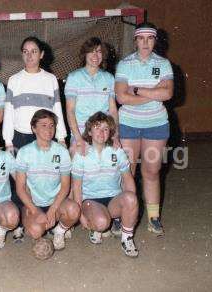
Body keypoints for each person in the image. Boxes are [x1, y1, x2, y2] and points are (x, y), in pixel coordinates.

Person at [2, 36, 67, 241]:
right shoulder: (14, 80)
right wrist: (8, 141)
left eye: (33, 51)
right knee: (21, 184)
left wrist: (62, 137)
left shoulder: (50, 80)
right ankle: (23, 221)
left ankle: (54, 216)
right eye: (25, 51)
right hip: (21, 136)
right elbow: (9, 111)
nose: (29, 55)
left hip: (46, 134)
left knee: (46, 178)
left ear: (41, 54)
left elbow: (57, 110)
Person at [114, 22, 174, 235]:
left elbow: (167, 94)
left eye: (150, 38)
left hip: (156, 124)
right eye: (141, 38)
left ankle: (153, 217)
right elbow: (121, 97)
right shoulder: (125, 64)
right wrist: (152, 92)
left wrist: (137, 90)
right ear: (136, 40)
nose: (146, 42)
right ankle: (122, 215)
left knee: (151, 171)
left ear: (155, 40)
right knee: (128, 171)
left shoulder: (163, 64)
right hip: (129, 124)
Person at [71, 112, 139, 257]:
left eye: (106, 129)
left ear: (110, 132)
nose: (102, 132)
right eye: (97, 128)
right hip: (91, 199)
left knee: (131, 198)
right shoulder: (81, 154)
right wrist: (80, 215)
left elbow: (128, 179)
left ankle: (127, 239)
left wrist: (132, 205)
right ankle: (95, 226)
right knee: (101, 223)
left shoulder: (117, 151)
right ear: (89, 131)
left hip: (113, 199)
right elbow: (76, 187)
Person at [15, 109, 80, 250]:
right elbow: (20, 188)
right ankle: (34, 222)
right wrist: (35, 210)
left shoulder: (62, 152)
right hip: (34, 203)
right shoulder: (24, 152)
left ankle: (59, 231)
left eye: (52, 125)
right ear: (34, 128)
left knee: (74, 210)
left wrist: (52, 210)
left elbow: (65, 187)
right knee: (36, 231)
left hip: (55, 202)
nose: (49, 129)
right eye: (43, 125)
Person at [65, 37, 118, 157]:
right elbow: (70, 111)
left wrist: (115, 136)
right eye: (91, 51)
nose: (95, 55)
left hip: (103, 134)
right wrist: (78, 140)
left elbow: (113, 110)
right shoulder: (74, 77)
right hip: (81, 133)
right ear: (85, 54)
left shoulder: (109, 78)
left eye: (99, 51)